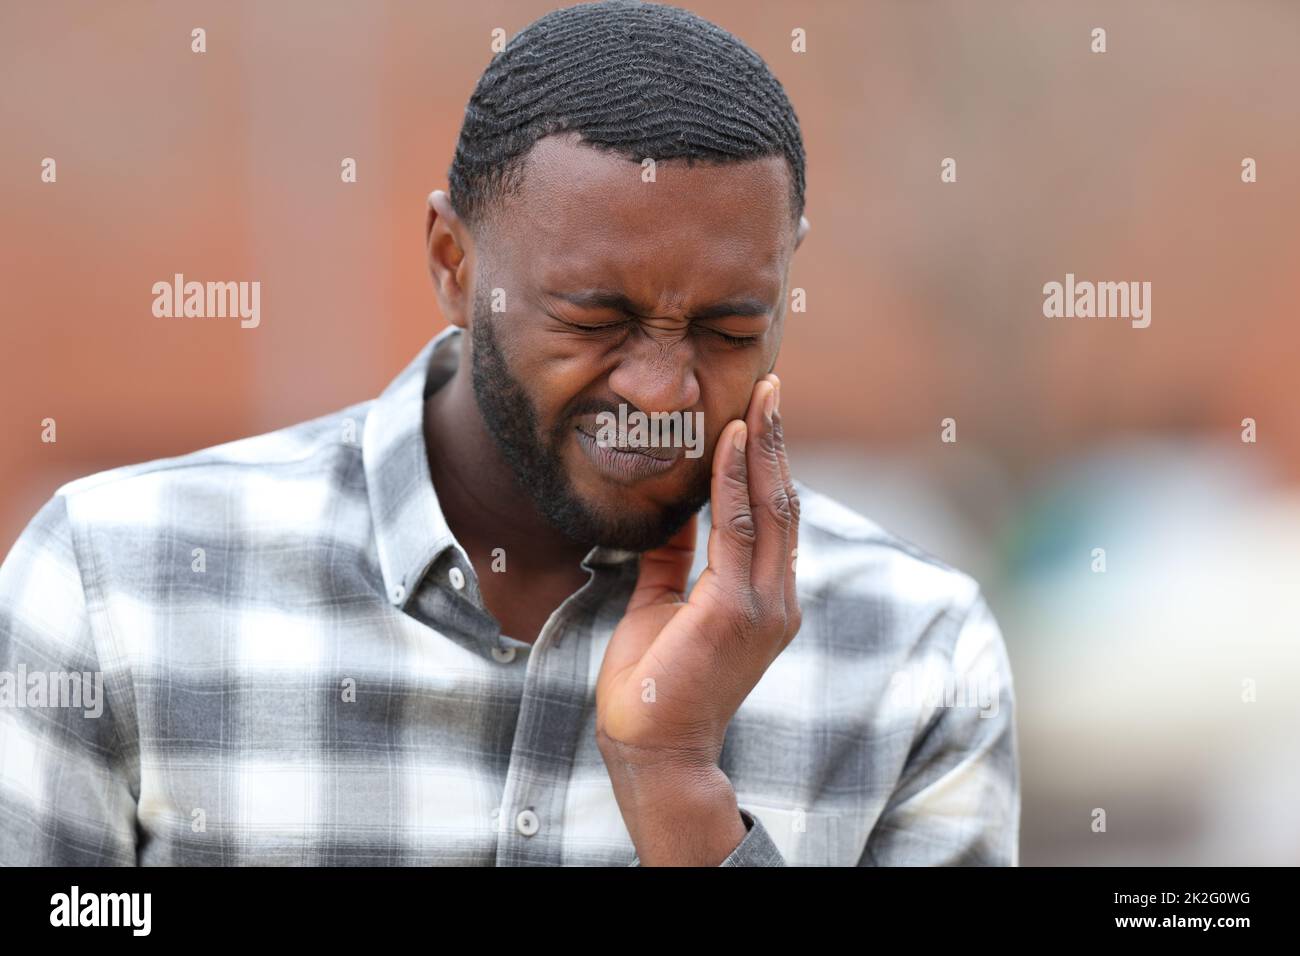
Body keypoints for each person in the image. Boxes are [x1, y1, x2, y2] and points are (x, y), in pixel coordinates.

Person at [0, 0, 1018, 866]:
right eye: (595, 318)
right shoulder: (116, 584)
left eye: (728, 328)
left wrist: (676, 794)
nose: (662, 388)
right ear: (453, 264)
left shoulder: (915, 655)